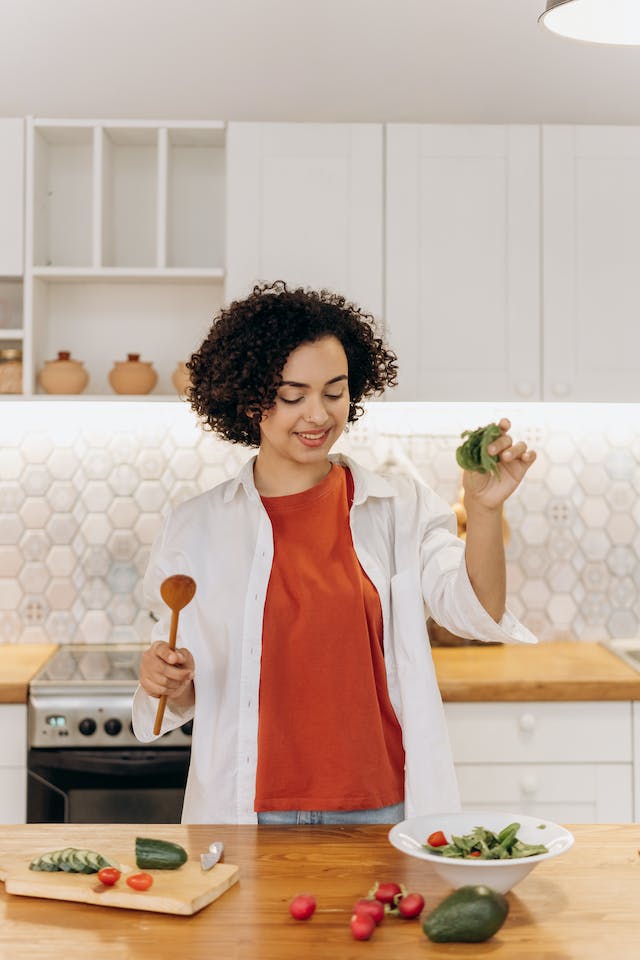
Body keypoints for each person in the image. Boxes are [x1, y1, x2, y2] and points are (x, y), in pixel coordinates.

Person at [132, 281, 537, 825]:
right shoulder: (197, 526)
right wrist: (166, 678)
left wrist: (485, 511)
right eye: (292, 395)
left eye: (334, 391)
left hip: (382, 809)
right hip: (245, 812)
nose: (318, 415)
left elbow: (478, 611)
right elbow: (176, 673)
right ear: (251, 398)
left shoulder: (398, 507)